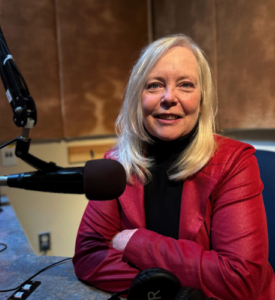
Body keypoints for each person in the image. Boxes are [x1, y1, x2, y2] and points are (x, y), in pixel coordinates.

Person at [73, 34, 275, 299]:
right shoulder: (116, 165)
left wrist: (135, 242)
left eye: (186, 85)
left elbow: (239, 279)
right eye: (155, 85)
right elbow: (90, 255)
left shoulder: (235, 162)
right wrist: (161, 289)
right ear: (138, 97)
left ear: (202, 100)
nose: (169, 97)